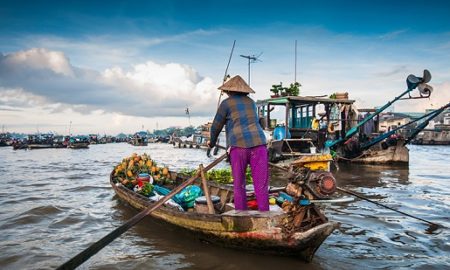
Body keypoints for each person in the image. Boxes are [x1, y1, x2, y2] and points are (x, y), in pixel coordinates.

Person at [208, 75, 269, 211]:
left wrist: (211, 143)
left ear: (229, 91)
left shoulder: (226, 103)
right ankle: (265, 215)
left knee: (239, 184)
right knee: (261, 184)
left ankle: (241, 214)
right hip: (259, 144)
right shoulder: (252, 102)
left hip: (239, 146)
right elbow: (261, 121)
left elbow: (216, 126)